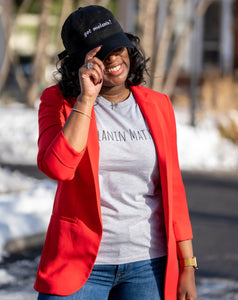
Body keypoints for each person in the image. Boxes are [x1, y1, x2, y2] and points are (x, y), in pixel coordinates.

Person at [34, 5, 197, 300]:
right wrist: (86, 99)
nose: (112, 59)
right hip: (80, 264)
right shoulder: (58, 103)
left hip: (149, 265)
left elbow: (172, 186)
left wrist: (187, 262)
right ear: (79, 63)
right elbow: (59, 168)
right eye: (100, 54)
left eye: (116, 47)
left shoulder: (157, 105)